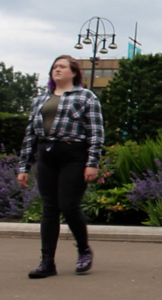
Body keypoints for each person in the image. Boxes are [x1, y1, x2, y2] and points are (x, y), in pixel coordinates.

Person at [17, 55, 104, 279]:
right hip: (46, 156)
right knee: (49, 208)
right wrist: (23, 166)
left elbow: (96, 132)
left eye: (62, 67)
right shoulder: (40, 100)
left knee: (68, 205)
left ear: (74, 72)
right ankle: (47, 262)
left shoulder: (86, 97)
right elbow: (30, 135)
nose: (57, 70)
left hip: (73, 155)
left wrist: (92, 162)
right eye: (55, 67)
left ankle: (84, 250)